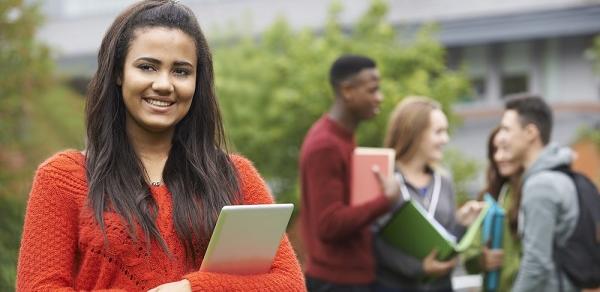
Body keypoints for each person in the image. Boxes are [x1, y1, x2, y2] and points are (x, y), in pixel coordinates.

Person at [16, 1, 305, 291]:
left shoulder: (236, 177)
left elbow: (289, 284)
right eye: (147, 67)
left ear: (197, 81)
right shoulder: (62, 178)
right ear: (118, 72)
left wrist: (190, 288)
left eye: (181, 71)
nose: (164, 84)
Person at [299, 54, 400, 291]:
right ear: (347, 91)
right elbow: (329, 223)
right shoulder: (325, 145)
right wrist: (385, 201)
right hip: (336, 282)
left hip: (351, 278)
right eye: (373, 90)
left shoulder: (342, 137)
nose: (380, 98)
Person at [372, 96, 484, 292]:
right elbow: (373, 243)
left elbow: (448, 241)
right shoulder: (385, 177)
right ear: (415, 133)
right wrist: (419, 268)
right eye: (438, 132)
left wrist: (461, 224)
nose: (445, 139)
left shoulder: (444, 180)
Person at [495, 94, 579, 292]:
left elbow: (536, 264)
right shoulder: (559, 175)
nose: (500, 138)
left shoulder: (541, 186)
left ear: (531, 132)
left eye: (506, 129)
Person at [463, 127, 523, 291]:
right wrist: (481, 259)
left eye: (506, 148)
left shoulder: (534, 191)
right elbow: (470, 255)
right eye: (495, 150)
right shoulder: (490, 196)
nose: (499, 156)